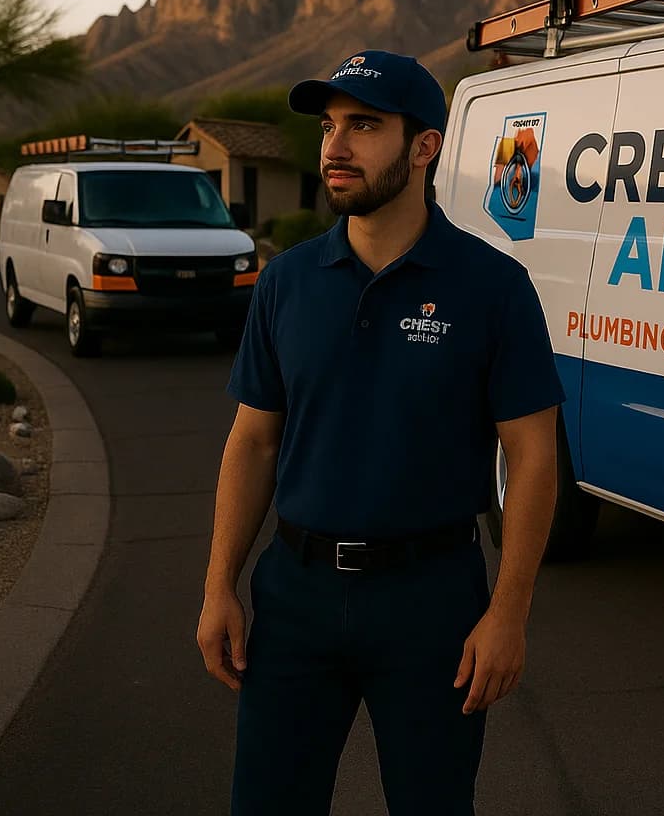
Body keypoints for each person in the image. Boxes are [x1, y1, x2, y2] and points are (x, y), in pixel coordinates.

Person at [196, 49, 564, 814]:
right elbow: (253, 442)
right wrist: (218, 587)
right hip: (294, 596)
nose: (335, 146)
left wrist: (509, 612)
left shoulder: (492, 287)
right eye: (330, 126)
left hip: (431, 603)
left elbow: (531, 458)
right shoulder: (286, 282)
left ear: (423, 146)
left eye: (363, 125)